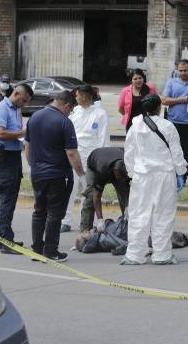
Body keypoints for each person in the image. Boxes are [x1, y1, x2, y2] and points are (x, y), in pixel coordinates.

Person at [122, 94, 188, 265]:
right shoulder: (168, 126)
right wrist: (181, 172)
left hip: (142, 176)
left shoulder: (135, 126)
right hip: (164, 175)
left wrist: (131, 173)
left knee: (138, 214)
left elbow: (129, 152)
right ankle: (162, 255)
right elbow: (176, 152)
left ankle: (135, 254)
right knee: (163, 215)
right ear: (160, 107)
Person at [25, 91, 85, 263]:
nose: (70, 113)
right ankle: (51, 251)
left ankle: (37, 249)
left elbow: (27, 146)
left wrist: (33, 166)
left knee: (39, 211)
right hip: (58, 174)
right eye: (71, 110)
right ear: (66, 105)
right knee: (55, 213)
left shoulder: (35, 117)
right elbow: (72, 153)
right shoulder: (64, 122)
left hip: (38, 173)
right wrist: (81, 174)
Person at [0, 84, 33, 254]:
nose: (24, 104)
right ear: (16, 94)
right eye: (23, 100)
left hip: (13, 156)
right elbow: (0, 133)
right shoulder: (2, 108)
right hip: (4, 157)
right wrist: (23, 132)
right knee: (7, 200)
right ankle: (5, 241)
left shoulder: (16, 109)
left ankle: (2, 239)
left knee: (8, 200)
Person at [61, 84, 109, 232]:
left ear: (85, 96)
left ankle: (86, 221)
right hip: (74, 156)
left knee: (88, 192)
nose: (75, 97)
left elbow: (104, 139)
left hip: (91, 159)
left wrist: (101, 162)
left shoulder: (100, 114)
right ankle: (66, 220)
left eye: (77, 95)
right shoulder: (74, 112)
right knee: (69, 189)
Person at [161, 58, 188, 183]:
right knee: (171, 149)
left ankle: (184, 176)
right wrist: (183, 99)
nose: (183, 73)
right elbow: (164, 100)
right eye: (180, 70)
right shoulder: (171, 82)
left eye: (185, 70)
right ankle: (171, 174)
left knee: (186, 150)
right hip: (172, 121)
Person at [79, 147, 130, 233]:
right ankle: (85, 232)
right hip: (94, 163)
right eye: (119, 177)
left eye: (123, 177)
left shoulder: (129, 167)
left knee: (123, 191)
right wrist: (100, 219)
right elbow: (97, 196)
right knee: (91, 196)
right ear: (114, 171)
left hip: (115, 156)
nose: (120, 179)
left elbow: (129, 192)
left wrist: (128, 208)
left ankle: (127, 227)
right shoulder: (101, 170)